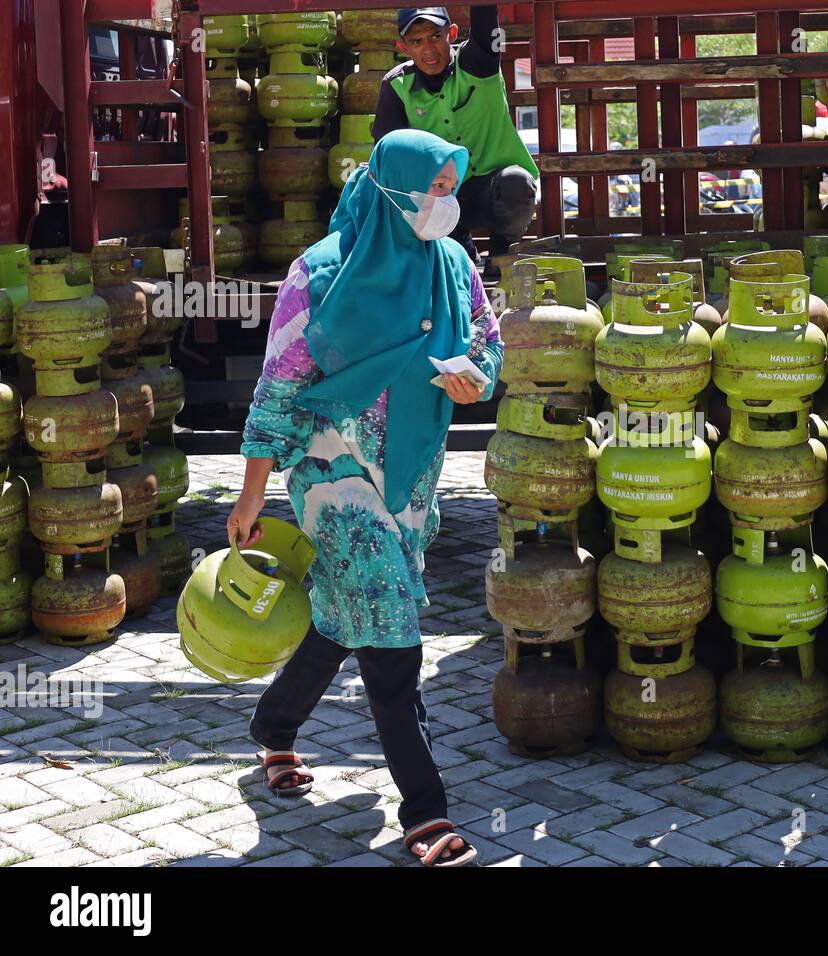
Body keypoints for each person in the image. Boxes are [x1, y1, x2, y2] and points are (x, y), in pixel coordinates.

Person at [230, 129, 502, 868]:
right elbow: (277, 389)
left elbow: (487, 338)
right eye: (433, 189)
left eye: (452, 189)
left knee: (345, 615)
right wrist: (251, 496)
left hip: (411, 469)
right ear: (391, 187)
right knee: (389, 626)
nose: (445, 205)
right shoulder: (319, 273)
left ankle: (273, 726)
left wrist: (474, 375)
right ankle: (426, 812)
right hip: (331, 474)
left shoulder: (452, 262)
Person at [372, 6, 538, 277]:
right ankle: (460, 252)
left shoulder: (477, 63)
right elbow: (388, 156)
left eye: (435, 36)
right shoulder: (396, 86)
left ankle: (502, 252)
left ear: (451, 33)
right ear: (403, 47)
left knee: (517, 182)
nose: (428, 49)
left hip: (493, 187)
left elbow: (485, 19)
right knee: (404, 188)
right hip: (441, 194)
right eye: (416, 41)